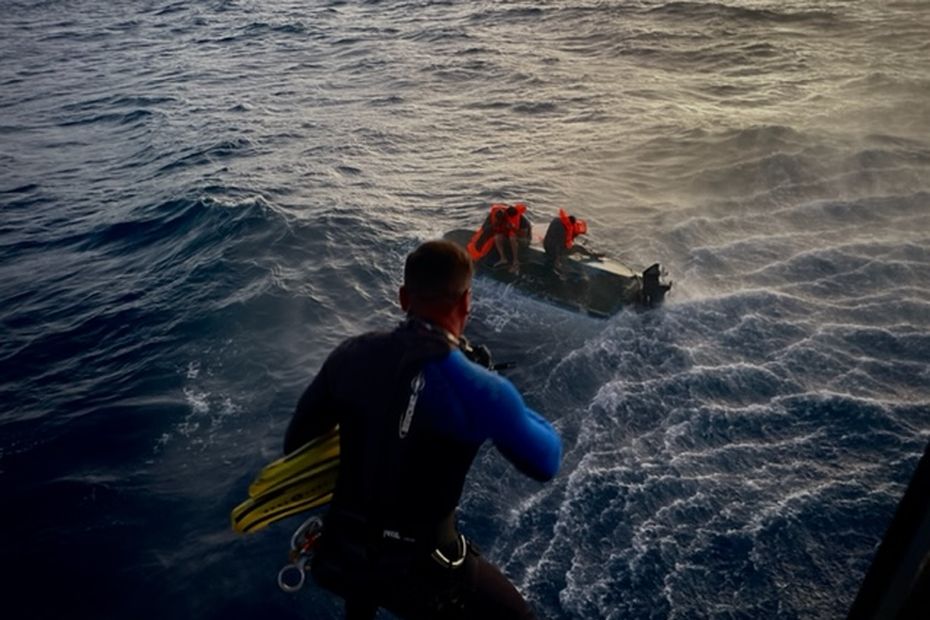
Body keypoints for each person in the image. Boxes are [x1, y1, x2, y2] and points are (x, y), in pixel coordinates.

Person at [284, 240, 562, 620]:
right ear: (466, 302)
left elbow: (297, 443)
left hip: (345, 555)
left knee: (363, 588)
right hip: (426, 572)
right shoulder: (481, 389)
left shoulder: (349, 356)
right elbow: (547, 460)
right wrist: (491, 388)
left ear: (402, 297)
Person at [466, 203, 532, 272]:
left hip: (523, 239)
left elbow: (523, 235)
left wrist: (512, 228)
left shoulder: (522, 220)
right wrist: (495, 225)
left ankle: (515, 261)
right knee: (497, 237)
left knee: (512, 238)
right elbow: (485, 230)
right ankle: (503, 258)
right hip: (506, 236)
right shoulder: (495, 216)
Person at [542, 208, 599, 273]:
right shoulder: (563, 232)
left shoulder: (556, 220)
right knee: (578, 248)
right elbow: (557, 245)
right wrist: (557, 260)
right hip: (554, 251)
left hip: (546, 244)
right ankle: (592, 255)